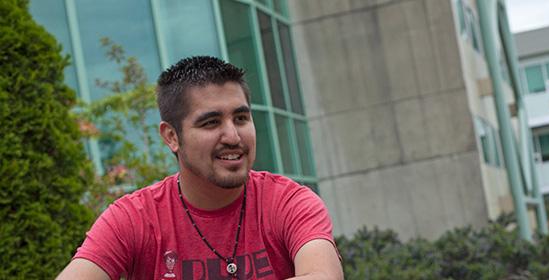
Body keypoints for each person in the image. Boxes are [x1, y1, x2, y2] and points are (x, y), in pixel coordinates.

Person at [57, 56, 343, 280]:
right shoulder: (134, 218)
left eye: (241, 118)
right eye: (211, 123)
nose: (233, 137)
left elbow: (323, 275)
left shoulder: (289, 202)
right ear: (171, 137)